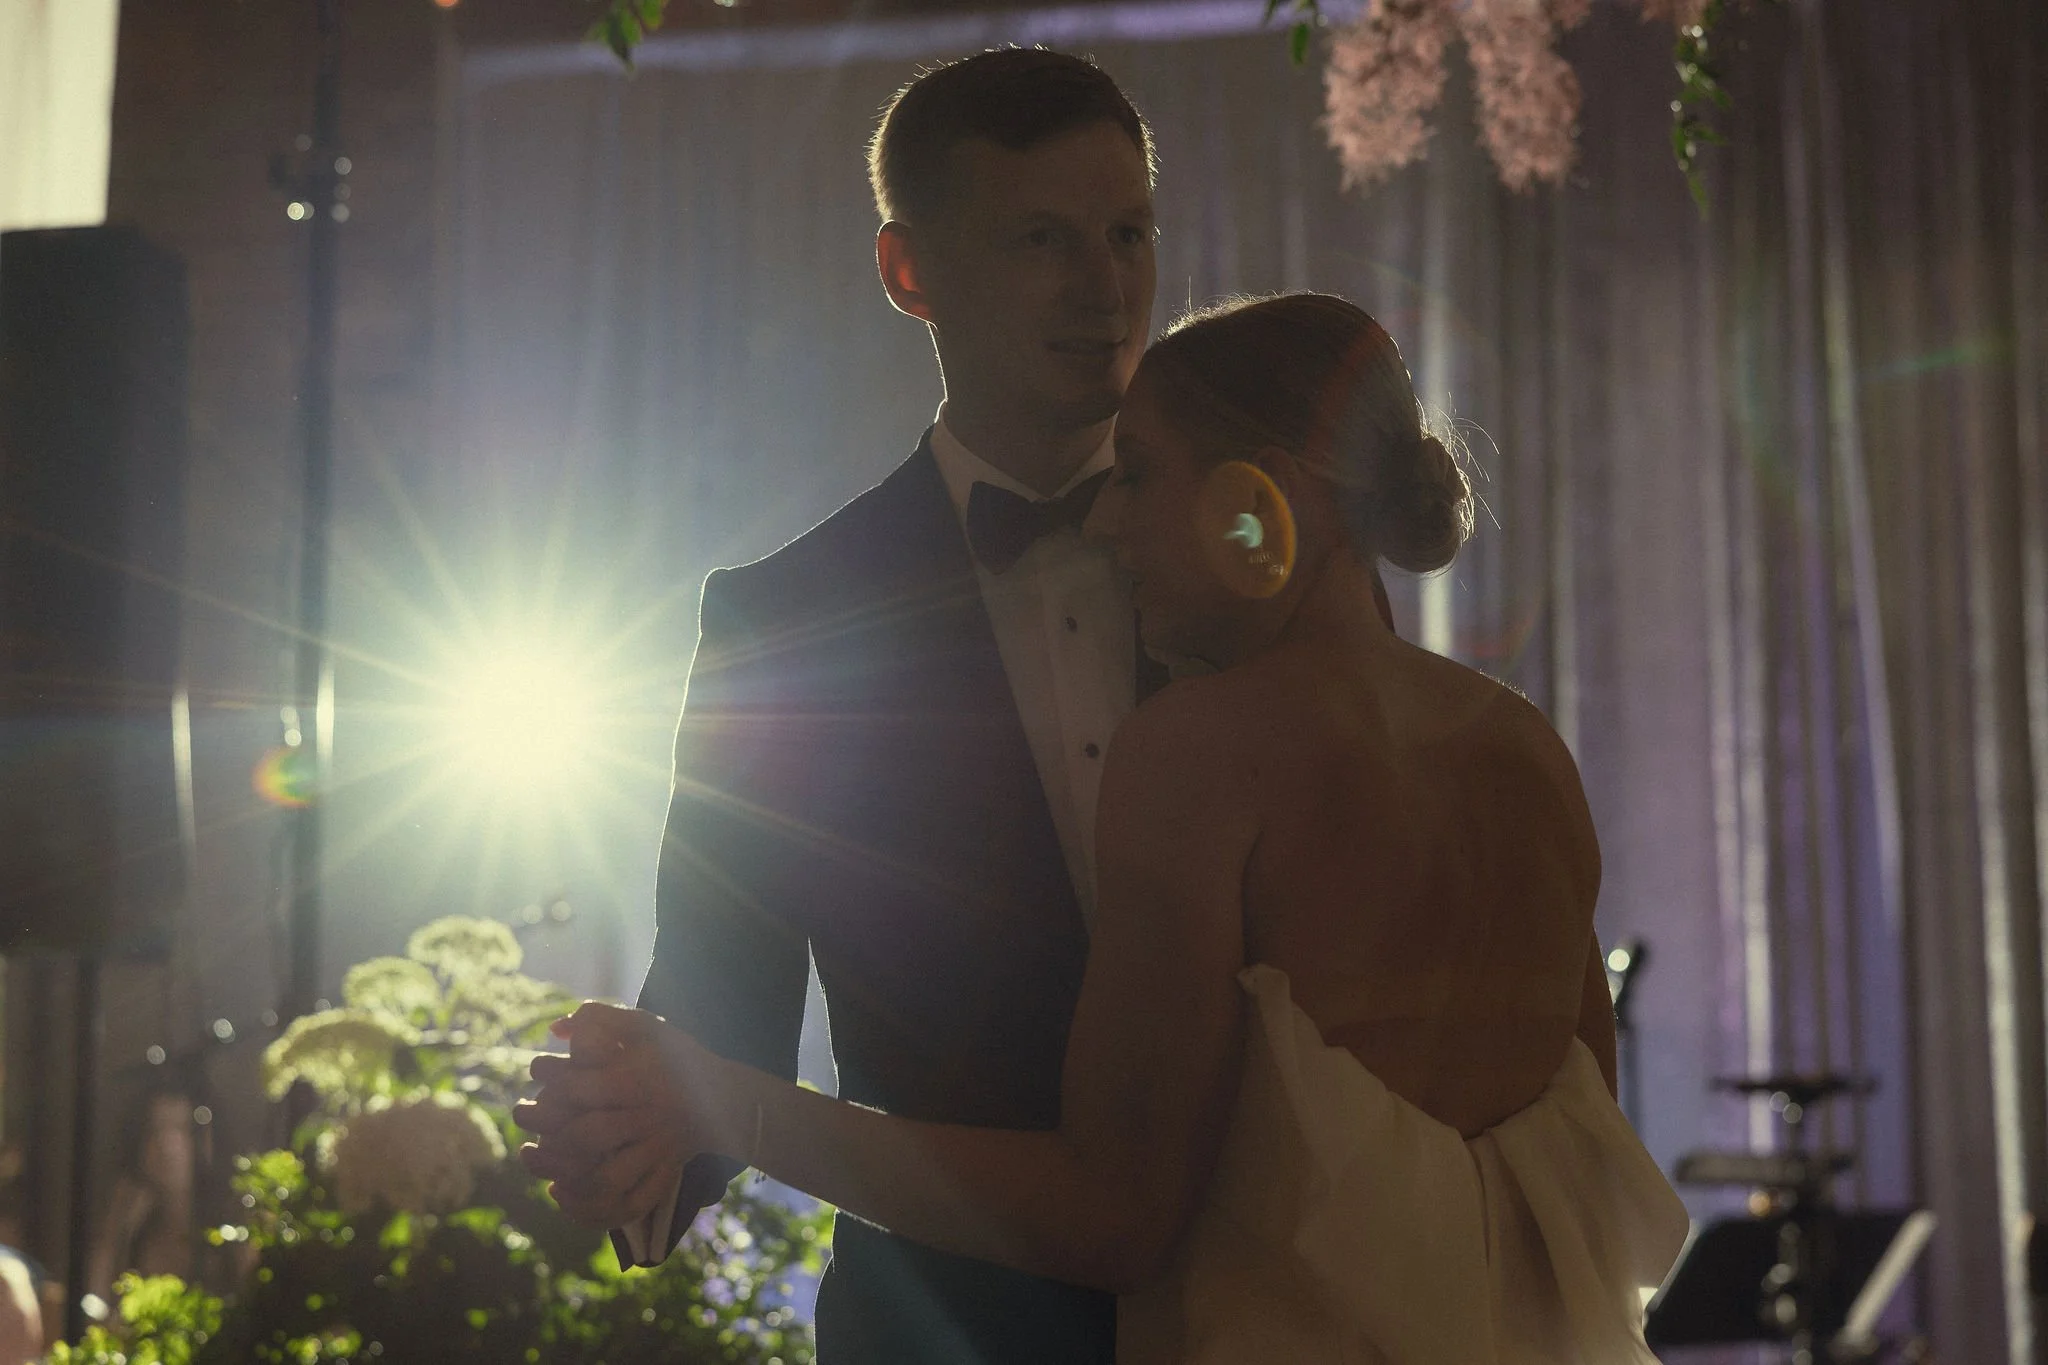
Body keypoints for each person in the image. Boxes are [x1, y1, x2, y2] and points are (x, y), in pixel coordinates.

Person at [520, 292, 1691, 1361]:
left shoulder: (1200, 750)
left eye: (1138, 477)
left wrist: (723, 1102)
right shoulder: (1521, 745)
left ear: (1255, 502)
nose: (1108, 526)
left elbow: (1111, 1214)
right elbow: (1594, 1174)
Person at [526, 46, 1164, 1365]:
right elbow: (721, 999)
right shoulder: (785, 618)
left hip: (1281, 1304)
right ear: (907, 273)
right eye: (1042, 238)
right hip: (952, 1329)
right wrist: (623, 1145)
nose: (1106, 288)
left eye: (1128, 232)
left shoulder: (1261, 538)